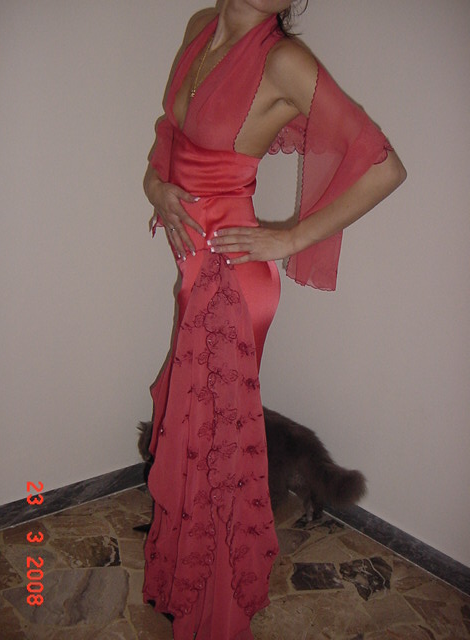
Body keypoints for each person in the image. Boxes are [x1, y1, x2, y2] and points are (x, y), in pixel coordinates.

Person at [142, 2, 406, 639]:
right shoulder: (201, 26)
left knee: (216, 453)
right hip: (195, 274)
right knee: (195, 440)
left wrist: (289, 237)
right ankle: (187, 587)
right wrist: (157, 190)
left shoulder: (283, 60)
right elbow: (169, 137)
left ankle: (216, 617)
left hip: (231, 286)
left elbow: (384, 167)